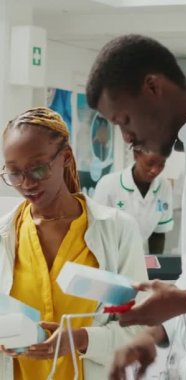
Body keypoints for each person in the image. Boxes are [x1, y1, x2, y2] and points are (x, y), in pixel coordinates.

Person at [86, 34, 186, 379]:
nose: (126, 139)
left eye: (124, 121)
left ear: (153, 87)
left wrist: (184, 301)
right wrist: (156, 332)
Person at [0, 107, 148, 380]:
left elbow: (139, 331)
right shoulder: (5, 236)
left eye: (38, 169)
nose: (26, 183)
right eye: (14, 173)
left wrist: (81, 339)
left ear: (66, 158)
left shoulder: (116, 231)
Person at [94, 148, 173, 254]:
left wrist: (157, 267)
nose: (155, 170)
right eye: (150, 163)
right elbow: (97, 232)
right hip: (108, 254)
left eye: (161, 165)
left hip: (136, 256)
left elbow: (158, 234)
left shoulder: (164, 186)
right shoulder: (108, 185)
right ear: (136, 155)